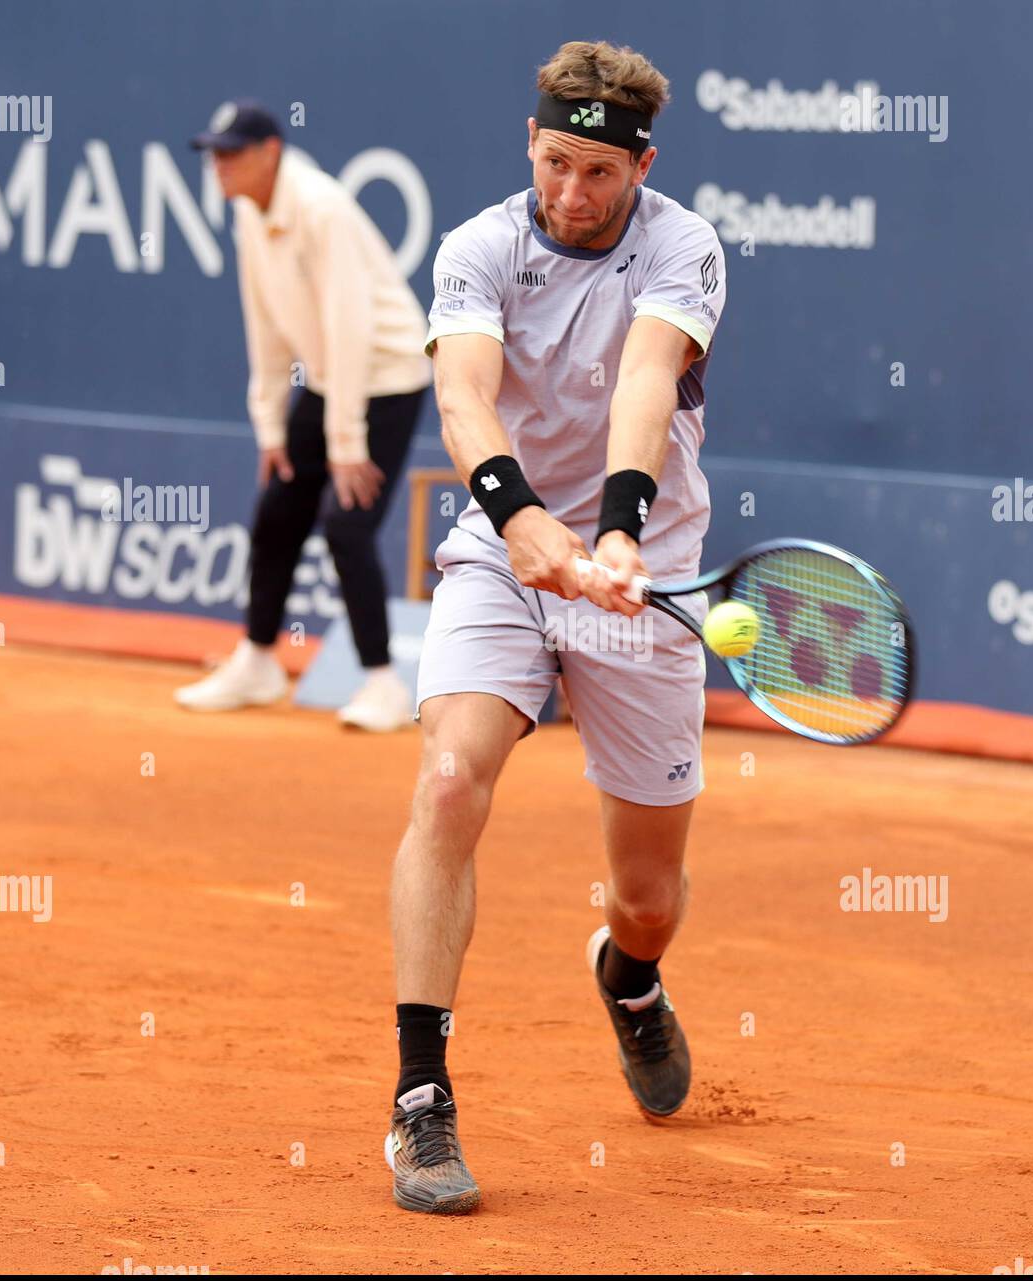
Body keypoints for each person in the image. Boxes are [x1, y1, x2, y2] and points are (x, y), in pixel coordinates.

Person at [384, 42, 727, 1214]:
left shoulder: (682, 245)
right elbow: (464, 395)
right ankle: (421, 1100)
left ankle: (630, 982)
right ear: (529, 146)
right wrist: (520, 516)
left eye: (597, 172)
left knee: (647, 898)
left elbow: (644, 380)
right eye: (551, 162)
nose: (569, 194)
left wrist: (618, 534)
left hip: (645, 571)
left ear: (643, 164)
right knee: (446, 784)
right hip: (503, 552)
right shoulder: (481, 245)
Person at [177, 100, 431, 731]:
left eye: (232, 154)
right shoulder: (246, 214)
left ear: (271, 154)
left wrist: (346, 440)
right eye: (214, 154)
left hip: (386, 381)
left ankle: (382, 685)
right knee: (277, 515)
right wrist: (271, 427)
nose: (220, 167)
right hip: (327, 384)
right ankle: (258, 661)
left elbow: (351, 326)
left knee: (347, 527)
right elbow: (263, 326)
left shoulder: (322, 209)